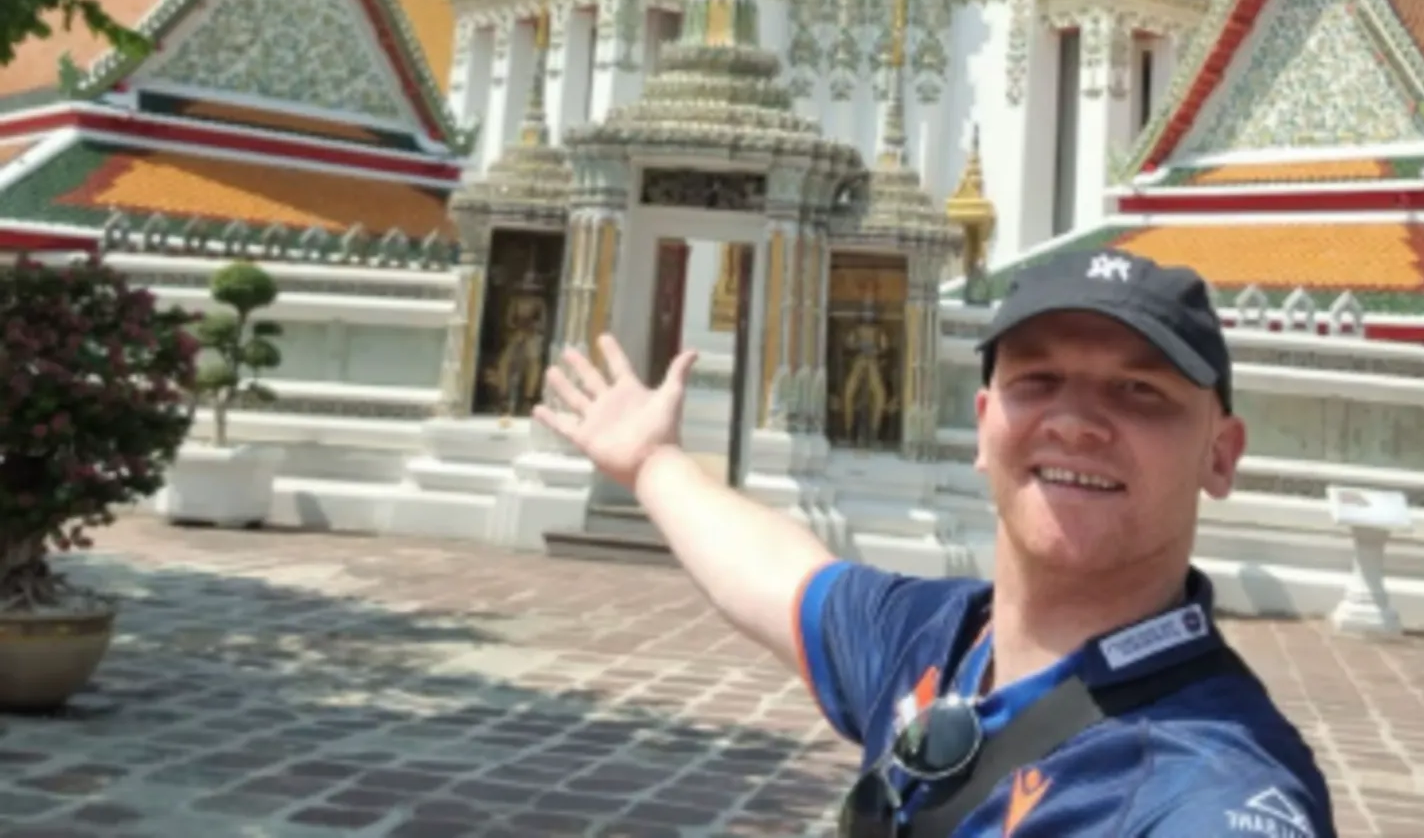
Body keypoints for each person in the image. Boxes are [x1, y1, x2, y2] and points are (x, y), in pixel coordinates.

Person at [535, 248, 1336, 836]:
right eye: (1038, 379)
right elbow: (784, 575)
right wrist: (651, 462)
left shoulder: (1210, 780)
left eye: (1139, 390)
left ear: (1220, 454)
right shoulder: (934, 638)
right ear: (983, 427)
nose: (1075, 421)